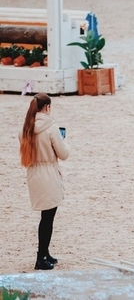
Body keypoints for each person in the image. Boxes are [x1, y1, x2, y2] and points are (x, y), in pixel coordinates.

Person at [19, 93, 70, 270]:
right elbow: (63, 154)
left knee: (45, 216)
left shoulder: (26, 127)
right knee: (48, 218)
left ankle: (45, 253)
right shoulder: (51, 128)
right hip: (48, 173)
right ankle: (41, 257)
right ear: (47, 107)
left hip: (34, 173)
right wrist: (64, 141)